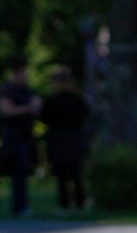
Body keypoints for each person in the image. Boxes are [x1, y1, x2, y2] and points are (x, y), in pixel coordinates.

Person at [41, 66, 91, 210]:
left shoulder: (52, 100)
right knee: (76, 172)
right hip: (74, 137)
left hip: (59, 138)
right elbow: (85, 116)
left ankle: (65, 204)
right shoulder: (77, 99)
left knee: (63, 174)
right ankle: (79, 202)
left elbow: (44, 118)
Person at [0, 57, 41, 216]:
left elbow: (36, 107)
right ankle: (19, 206)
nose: (26, 75)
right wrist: (28, 108)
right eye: (24, 72)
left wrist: (35, 106)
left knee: (23, 171)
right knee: (16, 170)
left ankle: (22, 205)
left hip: (26, 135)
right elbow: (6, 110)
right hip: (12, 135)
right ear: (16, 73)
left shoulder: (27, 90)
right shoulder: (8, 89)